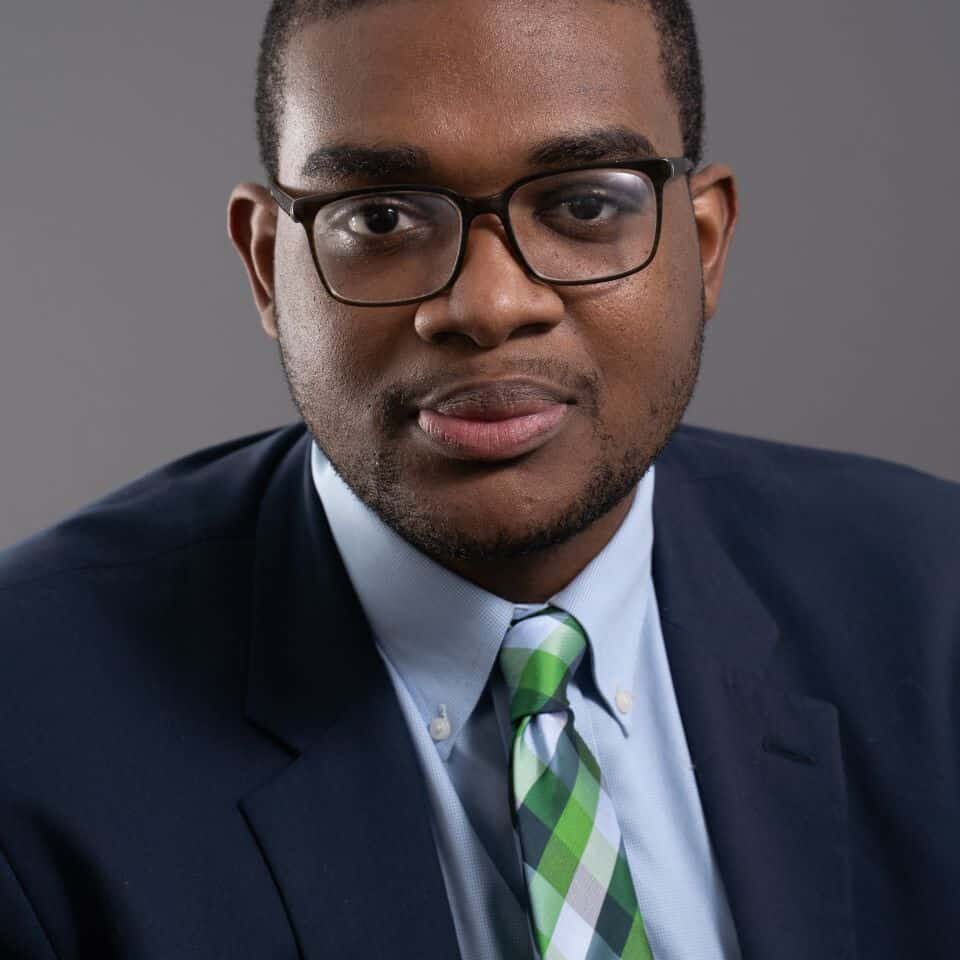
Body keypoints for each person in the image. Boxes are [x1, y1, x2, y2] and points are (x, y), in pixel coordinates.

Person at [1, 0, 957, 957]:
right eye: (378, 217)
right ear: (265, 266)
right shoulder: (27, 726)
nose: (488, 305)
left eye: (584, 203)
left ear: (703, 245)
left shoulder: (931, 602)